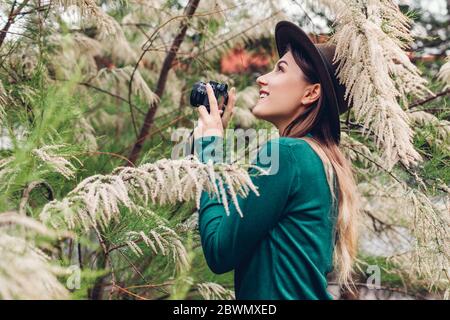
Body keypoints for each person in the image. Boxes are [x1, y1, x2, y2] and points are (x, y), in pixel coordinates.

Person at [193, 20, 361, 300]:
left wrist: (210, 150)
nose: (262, 78)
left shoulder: (287, 154)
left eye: (280, 69)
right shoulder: (322, 160)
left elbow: (219, 251)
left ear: (311, 93)